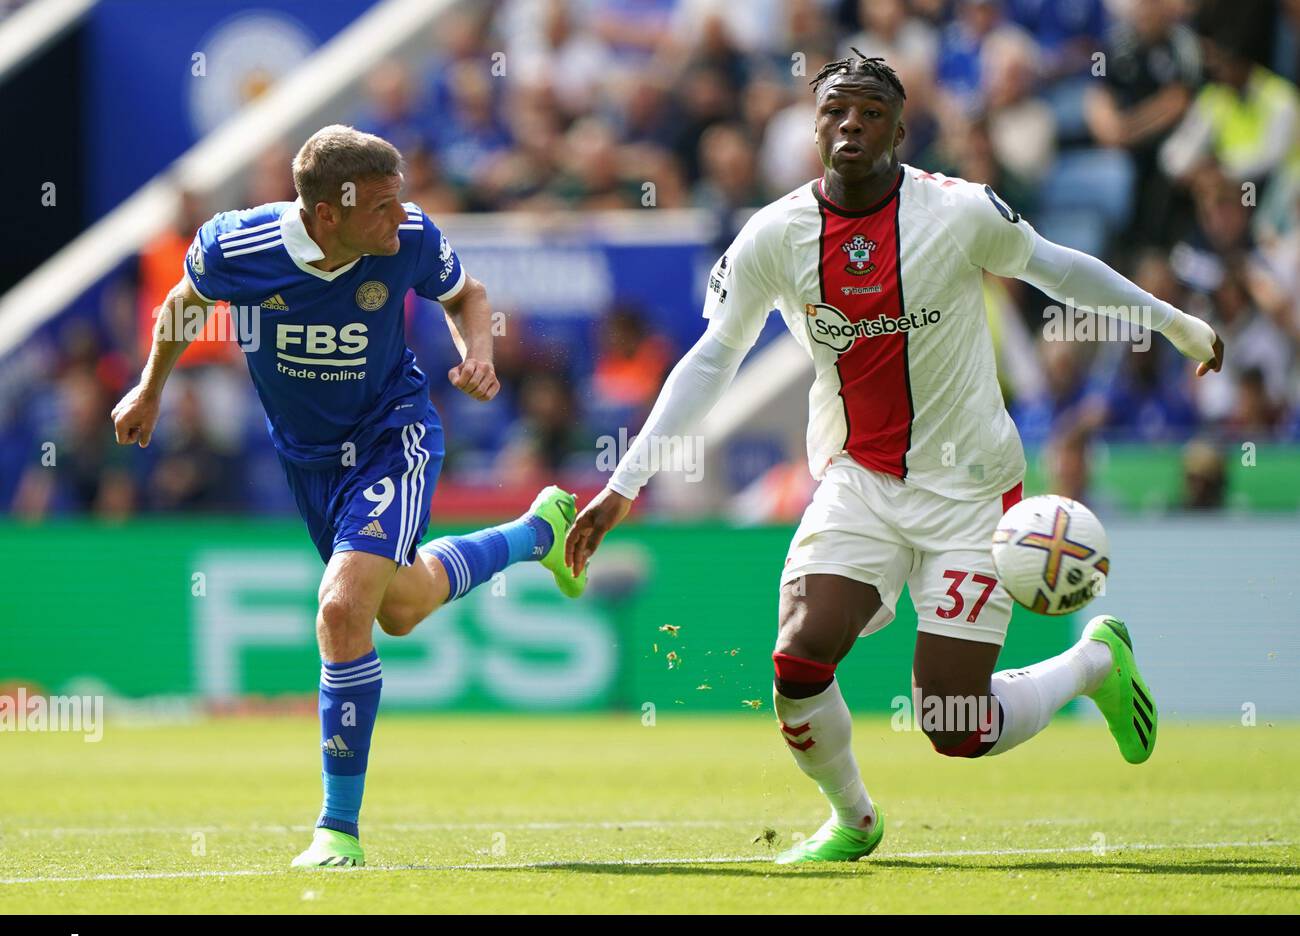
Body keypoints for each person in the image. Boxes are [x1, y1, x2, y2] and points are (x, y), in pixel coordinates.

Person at [564, 52, 1224, 864]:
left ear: (900, 129)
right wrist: (624, 484)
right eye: (835, 112)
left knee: (956, 726)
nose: (850, 125)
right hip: (858, 482)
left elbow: (1058, 269)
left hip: (972, 492)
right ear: (814, 128)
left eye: (870, 112)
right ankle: (854, 819)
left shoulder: (958, 211)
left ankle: (1094, 662)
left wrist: (1174, 322)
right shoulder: (775, 235)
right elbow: (711, 359)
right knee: (798, 660)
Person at [111, 125, 588, 869]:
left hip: (390, 436)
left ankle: (338, 830)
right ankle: (537, 533)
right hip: (307, 461)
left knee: (340, 611)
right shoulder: (236, 248)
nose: (401, 219)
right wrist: (149, 388)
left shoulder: (411, 240)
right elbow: (183, 301)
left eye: (401, 202)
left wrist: (479, 354)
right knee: (396, 607)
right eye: (382, 207)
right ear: (327, 213)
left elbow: (468, 295)